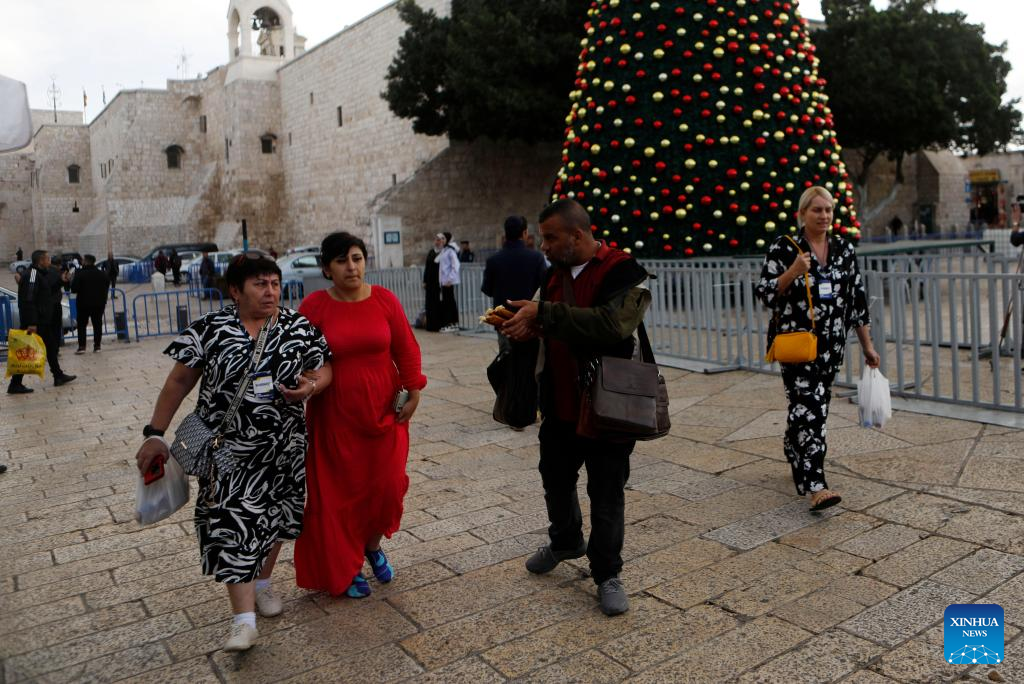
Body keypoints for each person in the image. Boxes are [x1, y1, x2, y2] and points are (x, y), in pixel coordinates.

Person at [134, 254, 331, 652]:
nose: (271, 291)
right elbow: (179, 381)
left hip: (283, 448)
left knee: (276, 519)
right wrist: (154, 432)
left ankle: (262, 583)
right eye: (260, 284)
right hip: (228, 451)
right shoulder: (211, 330)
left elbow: (324, 368)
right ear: (235, 290)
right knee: (233, 525)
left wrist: (310, 388)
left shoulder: (297, 326)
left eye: (275, 284)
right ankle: (243, 621)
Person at [502, 198, 651, 616]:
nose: (543, 245)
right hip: (561, 404)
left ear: (578, 235)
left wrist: (544, 314)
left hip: (609, 406)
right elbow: (549, 324)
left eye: (550, 237)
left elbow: (610, 325)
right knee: (554, 478)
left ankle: (607, 573)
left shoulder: (624, 270)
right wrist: (523, 326)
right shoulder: (553, 277)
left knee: (606, 494)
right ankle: (566, 541)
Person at [295, 232, 426, 598]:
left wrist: (414, 388)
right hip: (335, 417)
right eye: (341, 261)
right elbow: (299, 357)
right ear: (326, 268)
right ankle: (347, 564)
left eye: (356, 258)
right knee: (339, 495)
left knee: (385, 488)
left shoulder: (385, 300)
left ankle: (371, 546)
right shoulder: (316, 306)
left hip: (385, 413)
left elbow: (405, 346)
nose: (351, 267)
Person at [755, 186, 880, 511]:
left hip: (831, 347)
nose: (824, 216)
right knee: (810, 411)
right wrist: (793, 271)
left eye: (828, 210)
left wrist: (868, 346)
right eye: (817, 210)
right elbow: (766, 293)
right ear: (802, 214)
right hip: (797, 346)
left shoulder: (843, 250)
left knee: (812, 408)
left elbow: (857, 302)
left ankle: (792, 445)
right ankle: (816, 484)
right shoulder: (784, 248)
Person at [7, 250, 76, 394]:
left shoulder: (39, 275)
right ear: (40, 261)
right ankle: (15, 384)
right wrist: (32, 322)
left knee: (50, 348)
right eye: (47, 258)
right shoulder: (32, 275)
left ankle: (58, 375)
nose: (49, 261)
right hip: (35, 321)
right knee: (26, 351)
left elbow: (46, 292)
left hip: (41, 320)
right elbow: (29, 300)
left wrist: (60, 282)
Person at [482, 215, 549, 354]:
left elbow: (487, 289)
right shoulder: (536, 258)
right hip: (530, 322)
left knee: (507, 361)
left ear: (505, 233)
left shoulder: (493, 260)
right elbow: (544, 287)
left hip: (503, 321)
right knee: (530, 360)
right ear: (524, 233)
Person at [71, 254, 110, 354]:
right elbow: (107, 286)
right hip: (98, 304)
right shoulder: (101, 273)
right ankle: (97, 346)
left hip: (83, 304)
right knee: (97, 324)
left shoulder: (80, 273)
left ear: (86, 261)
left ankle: (82, 347)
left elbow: (74, 289)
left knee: (82, 325)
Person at [438, 231, 461, 332]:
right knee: (447, 302)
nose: (441, 240)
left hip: (448, 282)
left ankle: (452, 323)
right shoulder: (444, 250)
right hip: (444, 281)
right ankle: (450, 323)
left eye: (443, 238)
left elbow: (456, 265)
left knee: (449, 302)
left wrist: (450, 279)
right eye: (441, 238)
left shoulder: (450, 250)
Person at [422, 234, 445, 331]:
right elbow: (427, 267)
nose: (437, 242)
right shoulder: (431, 252)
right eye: (436, 240)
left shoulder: (444, 253)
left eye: (439, 240)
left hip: (439, 283)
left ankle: (438, 325)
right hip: (430, 284)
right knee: (429, 305)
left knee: (437, 305)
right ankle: (430, 325)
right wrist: (424, 281)